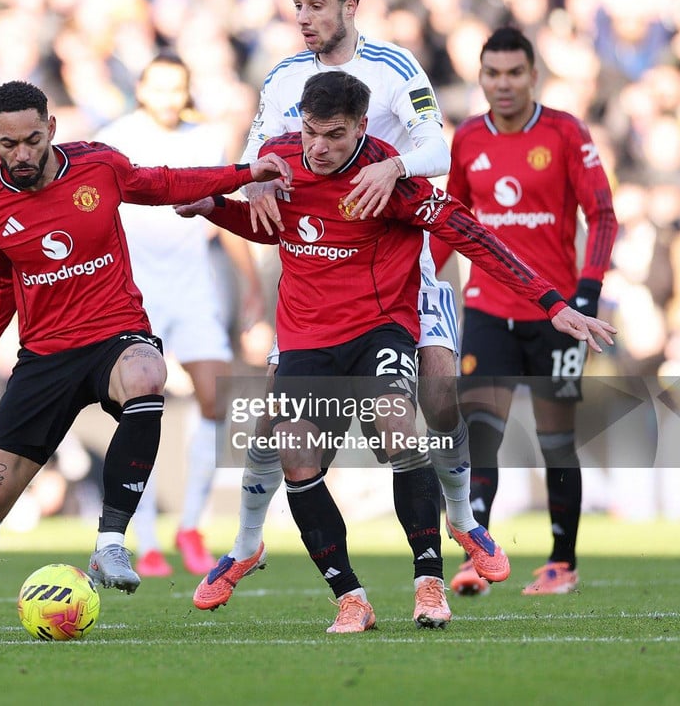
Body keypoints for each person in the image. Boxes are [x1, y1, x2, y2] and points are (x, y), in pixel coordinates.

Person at [179, 71, 615, 632]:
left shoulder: (391, 181)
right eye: (311, 131)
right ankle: (350, 597)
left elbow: (473, 236)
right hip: (308, 339)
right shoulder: (282, 161)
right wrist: (214, 207)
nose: (319, 146)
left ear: (361, 126)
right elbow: (281, 227)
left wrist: (553, 303)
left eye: (334, 135)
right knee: (295, 455)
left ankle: (430, 581)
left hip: (378, 329)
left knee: (400, 429)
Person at [0, 80, 292, 638]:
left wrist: (245, 173)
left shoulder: (99, 167)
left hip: (114, 335)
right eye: (9, 145)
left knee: (149, 375)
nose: (22, 154)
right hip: (44, 358)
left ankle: (110, 543)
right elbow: (1, 283)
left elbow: (165, 182)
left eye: (32, 139)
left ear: (51, 129)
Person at [196, 0, 508, 611]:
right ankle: (248, 541)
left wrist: (393, 169)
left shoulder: (394, 67)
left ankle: (463, 517)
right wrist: (247, 185)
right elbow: (255, 159)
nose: (303, 18)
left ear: (349, 5)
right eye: (297, 5)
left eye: (315, 4)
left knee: (440, 393)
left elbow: (439, 147)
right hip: (316, 270)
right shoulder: (282, 79)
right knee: (278, 431)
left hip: (402, 263)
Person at [430, 27, 618, 597]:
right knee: (479, 435)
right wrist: (418, 277)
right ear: (480, 77)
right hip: (487, 309)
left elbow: (603, 215)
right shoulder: (466, 138)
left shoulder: (564, 132)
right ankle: (478, 557)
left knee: (555, 440)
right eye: (493, 74)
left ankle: (562, 562)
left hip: (555, 313)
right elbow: (453, 223)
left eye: (514, 73)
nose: (503, 84)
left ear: (533, 75)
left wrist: (585, 293)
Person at [95, 53, 265, 577]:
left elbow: (221, 214)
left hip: (193, 288)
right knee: (138, 409)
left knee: (216, 400)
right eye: (159, 87)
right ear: (141, 88)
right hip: (136, 292)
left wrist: (253, 290)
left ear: (187, 91)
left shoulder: (206, 139)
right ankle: (143, 539)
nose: (168, 97)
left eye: (178, 88)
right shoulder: (114, 138)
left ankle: (190, 525)